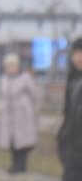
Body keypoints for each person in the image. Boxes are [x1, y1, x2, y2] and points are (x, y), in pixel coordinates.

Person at [0, 53, 39, 174]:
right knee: (12, 142)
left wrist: (31, 108)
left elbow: (35, 94)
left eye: (12, 65)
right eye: (8, 66)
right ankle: (14, 165)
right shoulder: (4, 79)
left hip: (23, 115)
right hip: (9, 115)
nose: (10, 68)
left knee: (23, 142)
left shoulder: (25, 78)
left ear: (17, 66)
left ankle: (22, 166)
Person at [58, 37, 82, 181]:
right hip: (72, 149)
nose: (79, 57)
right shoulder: (73, 79)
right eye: (76, 53)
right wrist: (62, 139)